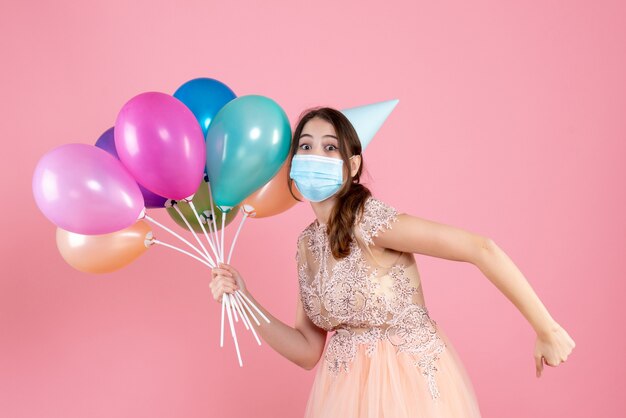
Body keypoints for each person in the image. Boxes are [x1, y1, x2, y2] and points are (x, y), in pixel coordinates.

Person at [209, 107, 576, 417]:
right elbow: (307, 351)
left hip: (408, 387)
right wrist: (243, 299)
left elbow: (481, 248)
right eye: (305, 146)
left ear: (352, 166)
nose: (314, 156)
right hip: (344, 395)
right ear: (292, 164)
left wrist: (547, 329)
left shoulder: (370, 221)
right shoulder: (307, 244)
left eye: (329, 147)